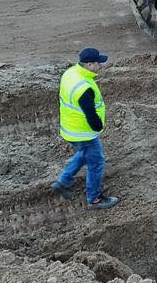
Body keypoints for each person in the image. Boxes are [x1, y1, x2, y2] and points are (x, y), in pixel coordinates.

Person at [51, 47, 118, 209]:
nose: (100, 66)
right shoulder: (84, 88)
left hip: (69, 128)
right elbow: (90, 114)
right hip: (83, 132)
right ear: (89, 64)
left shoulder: (71, 73)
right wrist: (99, 126)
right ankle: (95, 199)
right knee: (96, 162)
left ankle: (63, 182)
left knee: (83, 154)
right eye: (97, 63)